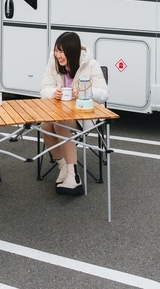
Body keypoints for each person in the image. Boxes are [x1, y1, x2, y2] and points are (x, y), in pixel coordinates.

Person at [39, 32, 109, 195]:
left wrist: (84, 92)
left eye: (61, 51)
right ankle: (63, 166)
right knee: (45, 126)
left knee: (60, 124)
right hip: (58, 111)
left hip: (84, 114)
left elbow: (104, 93)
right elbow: (44, 89)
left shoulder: (91, 64)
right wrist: (53, 92)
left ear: (72, 51)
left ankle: (74, 177)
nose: (57, 55)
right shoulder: (53, 62)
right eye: (56, 50)